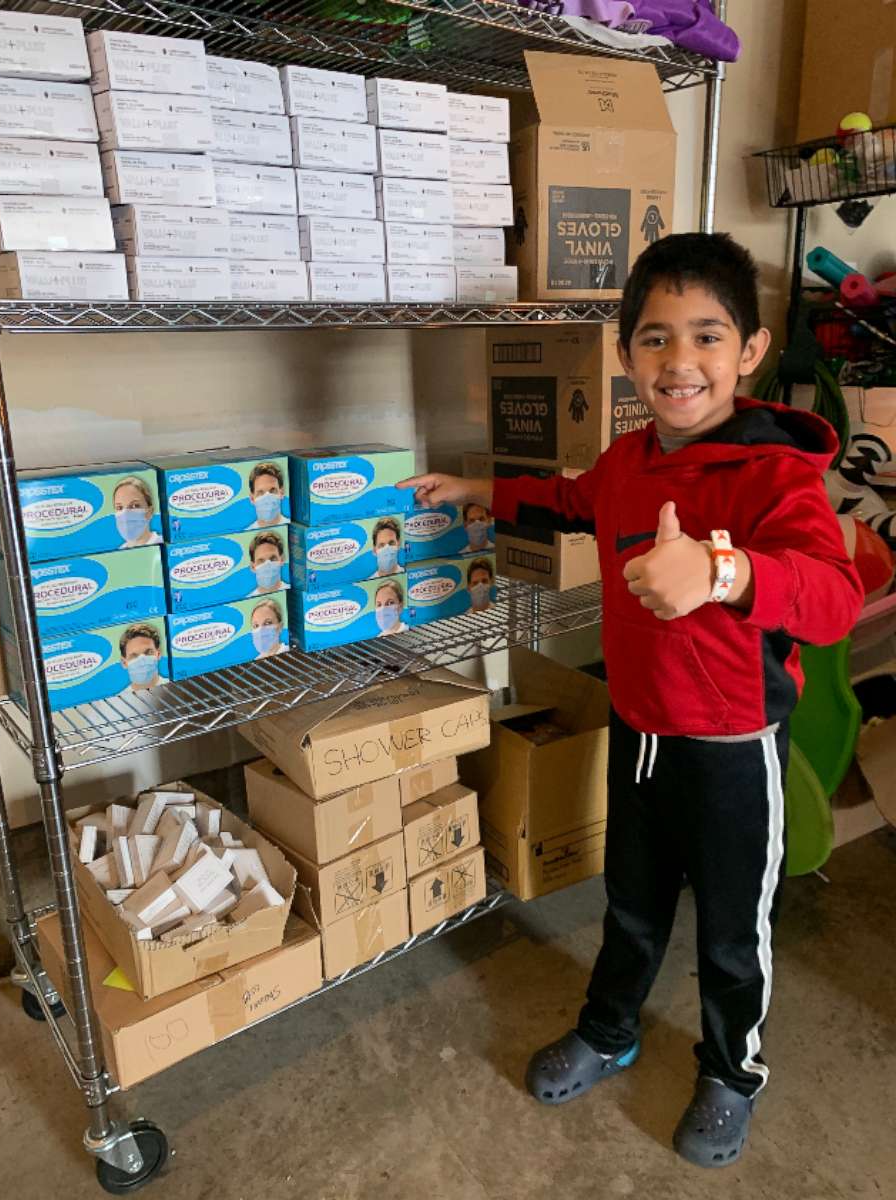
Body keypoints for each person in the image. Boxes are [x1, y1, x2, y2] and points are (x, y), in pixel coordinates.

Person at [398, 232, 863, 1169]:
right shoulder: (629, 459)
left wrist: (724, 571)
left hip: (734, 750)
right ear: (624, 355)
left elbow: (832, 597)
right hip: (641, 733)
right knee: (633, 906)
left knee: (733, 934)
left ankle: (733, 1072)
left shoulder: (777, 476)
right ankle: (611, 1029)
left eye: (707, 336)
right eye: (655, 339)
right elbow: (576, 501)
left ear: (751, 352)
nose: (680, 362)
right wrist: (479, 491)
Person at [113, 477, 162, 549]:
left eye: (134, 505)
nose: (126, 514)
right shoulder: (119, 552)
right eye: (119, 507)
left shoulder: (161, 543)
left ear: (150, 511)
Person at [119, 623, 165, 693]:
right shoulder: (119, 701)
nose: (142, 660)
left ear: (158, 654)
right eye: (134, 656)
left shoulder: (174, 687)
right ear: (124, 663)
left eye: (148, 652)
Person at [247, 462, 286, 531]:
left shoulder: (290, 528)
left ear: (281, 492)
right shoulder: (247, 531)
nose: (267, 497)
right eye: (260, 492)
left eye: (272, 490)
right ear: (252, 498)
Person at [248, 531, 287, 596]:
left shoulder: (290, 593)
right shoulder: (248, 599)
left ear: (282, 559)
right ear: (252, 567)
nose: (267, 565)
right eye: (261, 561)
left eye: (273, 558)